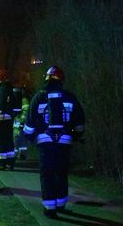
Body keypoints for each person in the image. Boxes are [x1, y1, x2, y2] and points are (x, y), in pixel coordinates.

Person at [23, 66, 85, 218]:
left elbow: (30, 123)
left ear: (47, 79)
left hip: (45, 143)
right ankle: (61, 205)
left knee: (47, 174)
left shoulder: (39, 97)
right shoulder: (70, 97)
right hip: (64, 142)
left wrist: (30, 138)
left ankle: (49, 209)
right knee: (62, 174)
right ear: (62, 80)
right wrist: (75, 136)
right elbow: (79, 123)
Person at [0, 69, 16, 170]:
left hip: (1, 121)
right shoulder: (10, 88)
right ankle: (10, 163)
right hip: (8, 120)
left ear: (1, 79)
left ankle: (1, 163)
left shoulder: (3, 89)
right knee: (8, 141)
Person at [12, 84, 30, 160]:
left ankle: (21, 154)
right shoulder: (21, 100)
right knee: (19, 140)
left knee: (19, 139)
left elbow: (26, 112)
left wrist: (22, 122)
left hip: (20, 124)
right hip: (18, 124)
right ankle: (19, 154)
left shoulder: (24, 100)